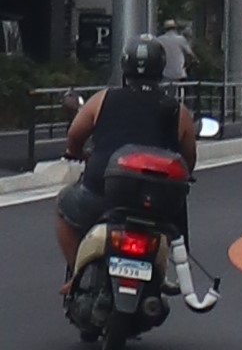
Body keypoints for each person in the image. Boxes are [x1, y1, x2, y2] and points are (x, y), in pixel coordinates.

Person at [55, 36, 197, 293]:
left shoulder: (103, 99)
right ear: (162, 68)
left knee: (64, 209)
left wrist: (76, 152)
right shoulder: (178, 110)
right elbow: (189, 160)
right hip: (157, 201)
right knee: (176, 208)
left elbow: (75, 136)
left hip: (104, 191)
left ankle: (77, 275)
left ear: (125, 66)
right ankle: (165, 271)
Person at [157, 19, 194, 84]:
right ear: (175, 28)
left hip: (165, 73)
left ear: (165, 29)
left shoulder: (159, 40)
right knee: (186, 90)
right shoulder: (181, 39)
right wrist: (188, 64)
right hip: (180, 73)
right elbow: (190, 54)